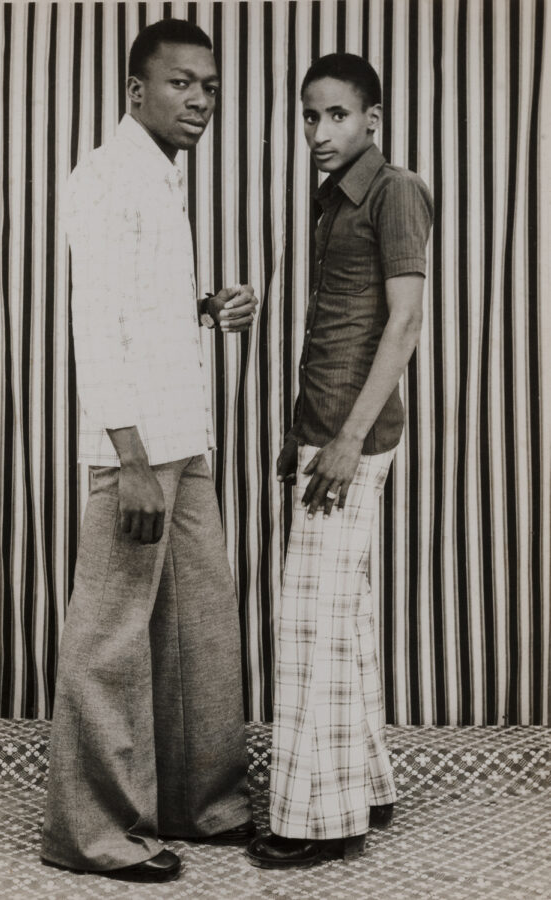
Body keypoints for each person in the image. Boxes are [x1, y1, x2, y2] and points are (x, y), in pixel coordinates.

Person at [41, 19, 258, 884]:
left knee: (199, 626)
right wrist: (127, 458)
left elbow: (139, 306)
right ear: (137, 91)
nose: (200, 98)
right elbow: (96, 327)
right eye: (181, 83)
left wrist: (208, 307)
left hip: (183, 434)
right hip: (135, 445)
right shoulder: (104, 176)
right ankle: (89, 834)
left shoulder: (162, 176)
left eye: (208, 84)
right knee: (110, 638)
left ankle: (201, 804)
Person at [247, 53, 433, 869]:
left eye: (336, 116)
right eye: (309, 117)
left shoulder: (397, 190)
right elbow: (329, 333)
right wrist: (302, 437)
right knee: (344, 621)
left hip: (353, 440)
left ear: (373, 121)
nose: (320, 132)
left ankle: (320, 821)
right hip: (324, 433)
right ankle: (367, 786)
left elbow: (404, 324)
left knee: (309, 625)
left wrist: (349, 442)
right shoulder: (332, 200)